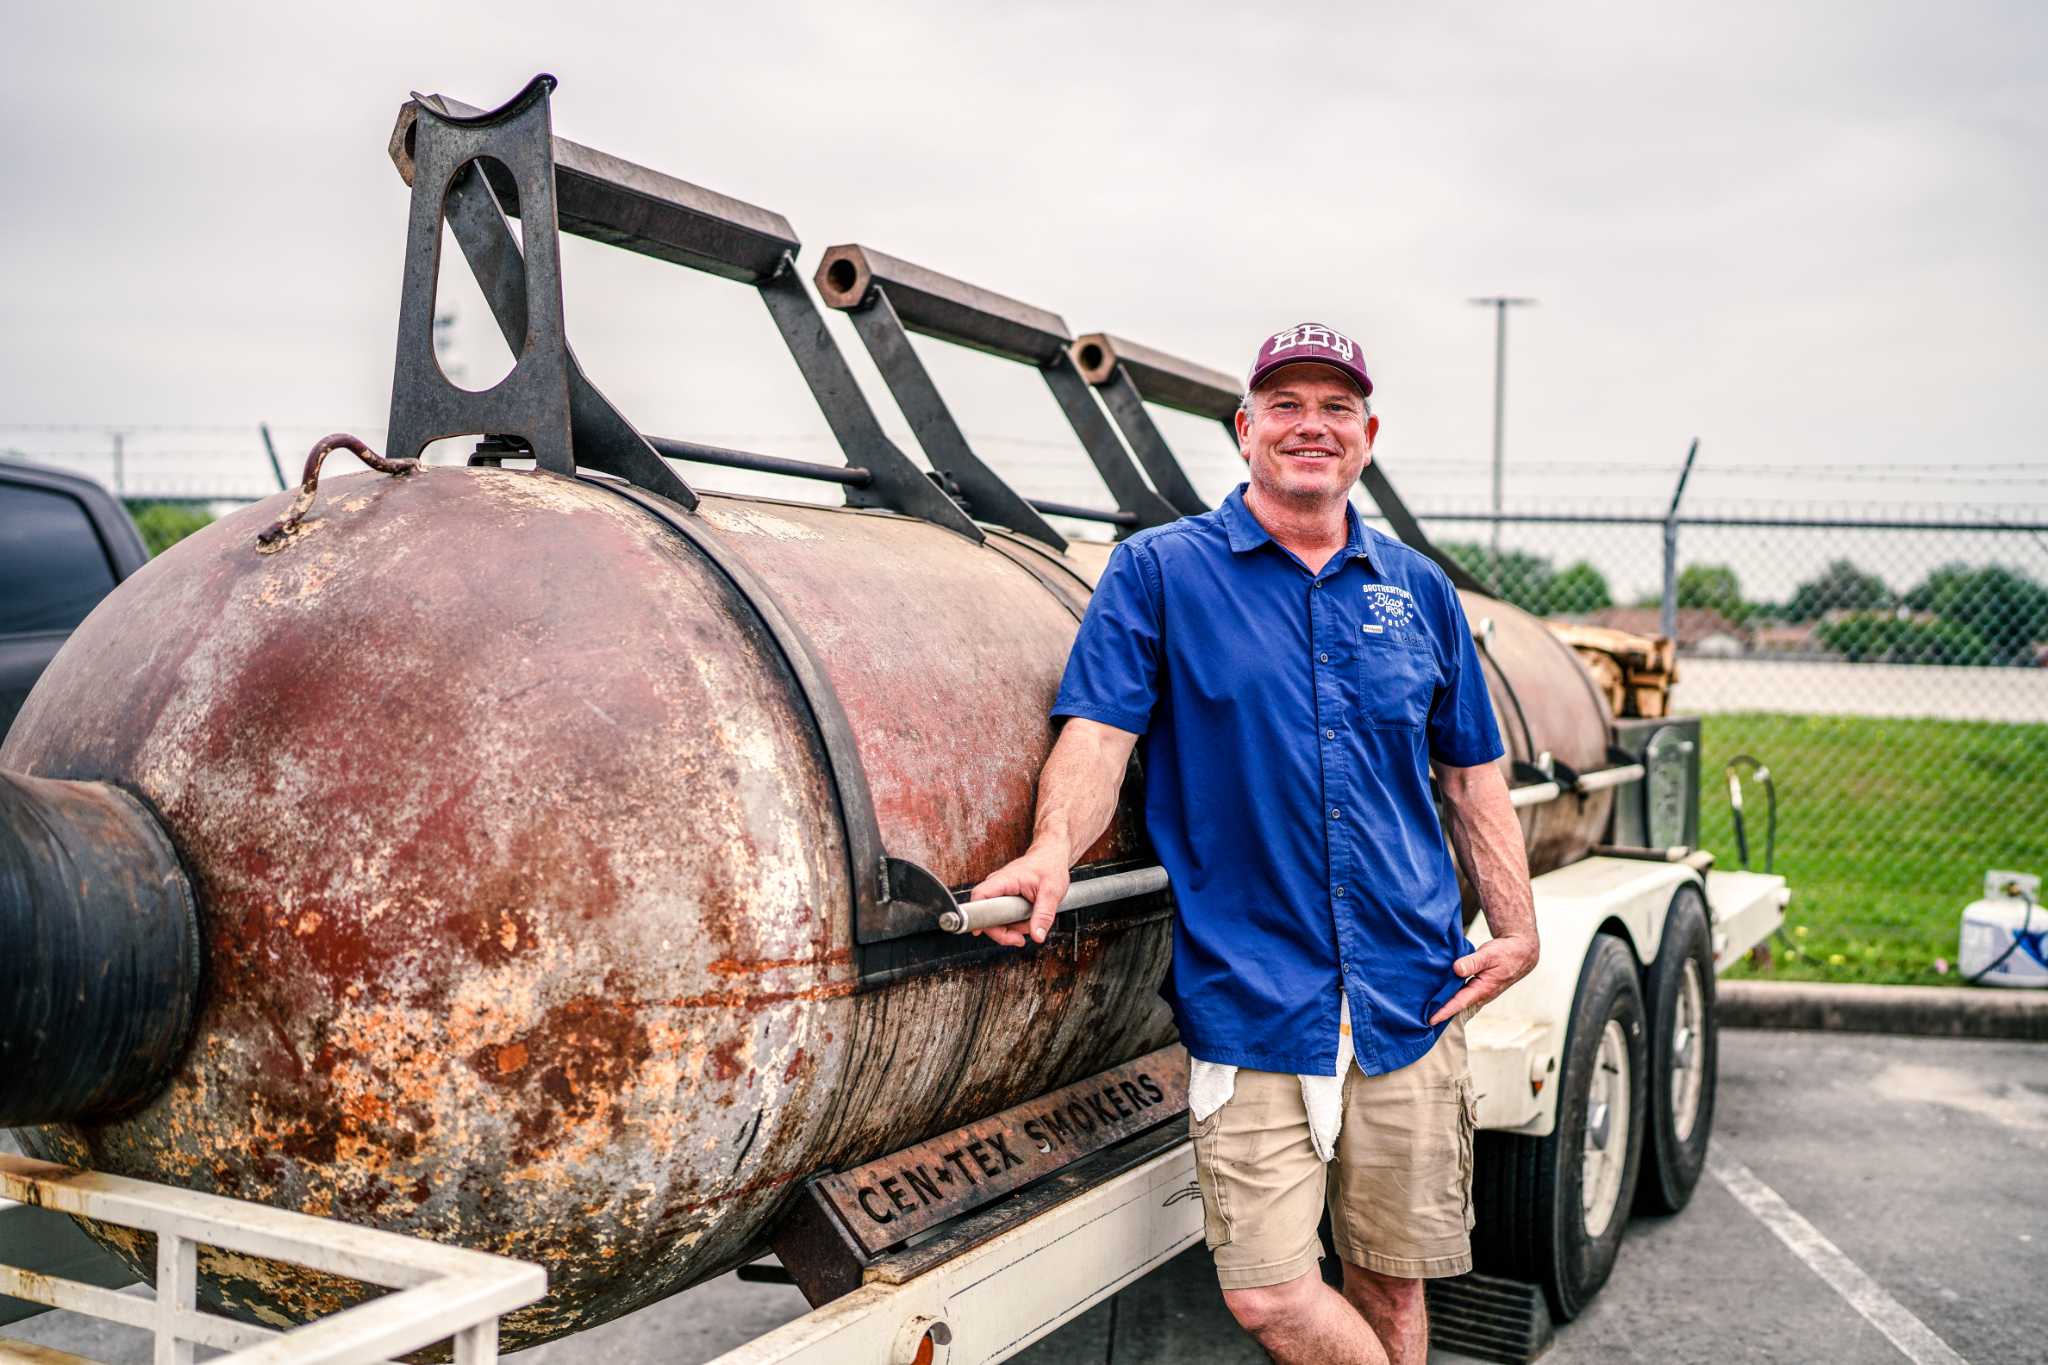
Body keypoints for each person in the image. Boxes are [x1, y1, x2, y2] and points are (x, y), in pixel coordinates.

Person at [972, 322, 1539, 1364]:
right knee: (1271, 1297)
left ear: (1366, 436)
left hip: (1409, 991)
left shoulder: (1415, 591)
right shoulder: (1159, 573)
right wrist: (1051, 848)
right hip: (1252, 989)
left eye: (1334, 408)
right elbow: (1097, 737)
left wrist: (1518, 929)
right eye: (1284, 405)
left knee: (1391, 1286)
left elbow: (1469, 775)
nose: (1309, 426)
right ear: (1244, 430)